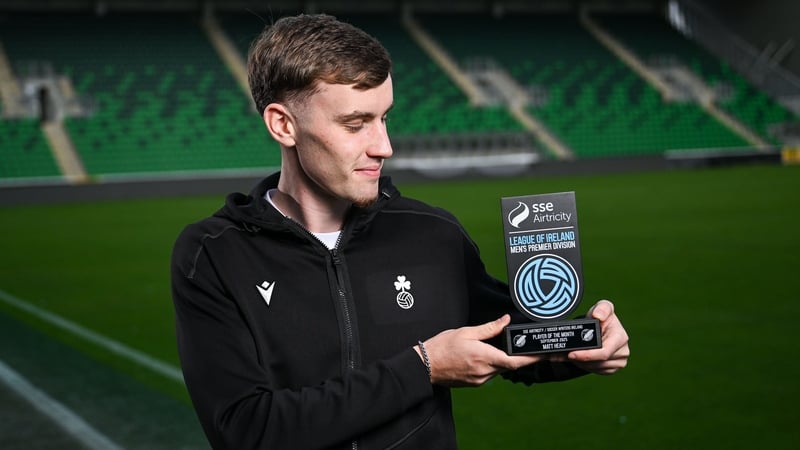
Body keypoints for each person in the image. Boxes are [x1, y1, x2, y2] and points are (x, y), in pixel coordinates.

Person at [171, 13, 629, 450]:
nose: (384, 147)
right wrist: (422, 368)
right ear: (283, 125)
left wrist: (584, 344)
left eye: (384, 117)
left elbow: (506, 338)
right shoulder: (213, 254)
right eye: (356, 124)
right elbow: (247, 432)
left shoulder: (432, 233)